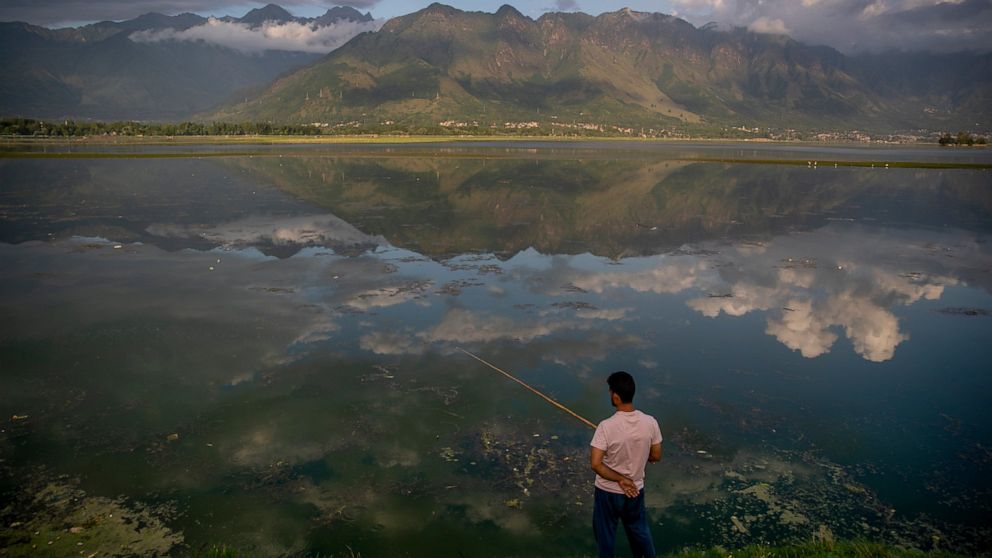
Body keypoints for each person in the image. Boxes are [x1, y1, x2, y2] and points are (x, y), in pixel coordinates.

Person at [590, 371, 662, 558]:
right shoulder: (650, 422)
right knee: (640, 532)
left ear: (615, 396)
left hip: (607, 493)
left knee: (605, 538)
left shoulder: (605, 426)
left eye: (610, 391)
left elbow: (596, 464)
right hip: (636, 490)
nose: (609, 394)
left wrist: (620, 479)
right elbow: (656, 455)